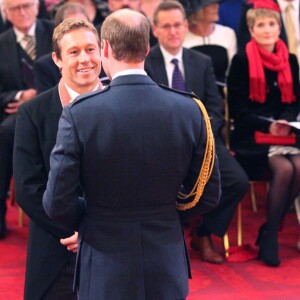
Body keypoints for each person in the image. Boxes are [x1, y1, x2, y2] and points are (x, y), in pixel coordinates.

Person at [43, 8, 221, 299]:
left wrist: (93, 218)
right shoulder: (190, 109)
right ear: (148, 47)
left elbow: (56, 202)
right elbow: (208, 194)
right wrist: (163, 212)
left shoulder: (81, 113)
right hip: (165, 255)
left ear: (106, 48)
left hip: (104, 259)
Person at [145, 0, 248, 264]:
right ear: (155, 30)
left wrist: (202, 136)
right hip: (160, 145)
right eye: (166, 26)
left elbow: (214, 106)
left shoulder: (200, 61)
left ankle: (204, 233)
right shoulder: (146, 63)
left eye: (178, 24)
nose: (173, 31)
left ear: (186, 25)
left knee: (237, 180)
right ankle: (170, 237)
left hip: (203, 142)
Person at [14, 18, 102, 299]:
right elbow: (28, 188)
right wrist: (72, 232)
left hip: (114, 251)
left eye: (90, 49)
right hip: (57, 248)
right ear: (57, 59)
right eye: (74, 52)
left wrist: (98, 232)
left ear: (102, 50)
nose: (84, 59)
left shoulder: (125, 104)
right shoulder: (33, 113)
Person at [227, 0, 300, 267]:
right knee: (284, 170)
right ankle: (270, 236)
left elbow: (294, 103)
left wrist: (287, 120)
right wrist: (267, 124)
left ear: (279, 28)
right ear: (252, 29)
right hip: (252, 137)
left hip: (286, 134)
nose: (268, 29)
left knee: (299, 166)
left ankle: (270, 228)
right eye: (261, 25)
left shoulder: (290, 59)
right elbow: (237, 110)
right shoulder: (242, 60)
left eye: (272, 24)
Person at [0, 0, 54, 239]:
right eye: (14, 8)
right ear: (6, 13)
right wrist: (20, 96)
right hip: (15, 114)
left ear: (36, 7)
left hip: (56, 105)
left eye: (26, 5)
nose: (22, 12)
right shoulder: (1, 43)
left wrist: (41, 97)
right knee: (6, 133)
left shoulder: (54, 32)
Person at [181, 0, 237, 96]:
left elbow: (232, 73)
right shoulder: (182, 38)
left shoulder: (227, 33)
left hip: (224, 99)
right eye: (211, 4)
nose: (217, 6)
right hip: (192, 99)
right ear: (198, 10)